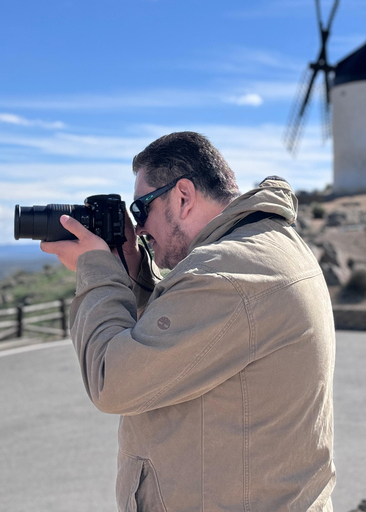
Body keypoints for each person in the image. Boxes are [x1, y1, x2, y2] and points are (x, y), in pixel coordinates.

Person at [41, 132, 336, 512]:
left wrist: (96, 269)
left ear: (182, 196)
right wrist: (134, 272)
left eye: (141, 209)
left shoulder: (227, 274)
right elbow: (187, 333)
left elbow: (111, 381)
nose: (140, 227)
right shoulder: (264, 244)